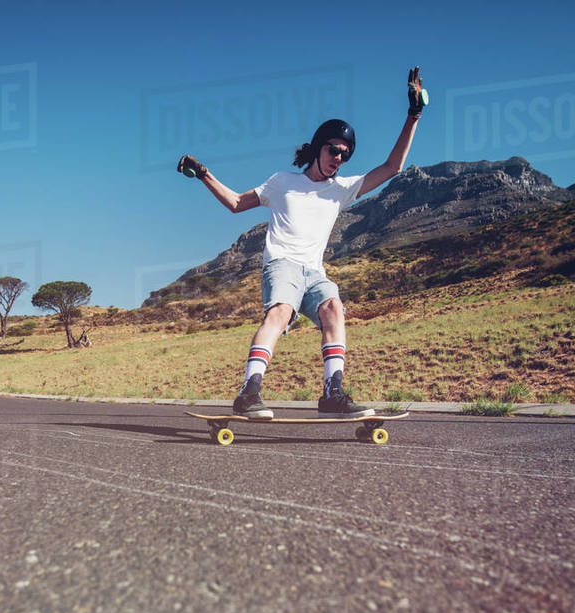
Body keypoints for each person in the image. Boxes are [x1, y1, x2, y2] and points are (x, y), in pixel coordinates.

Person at [177, 67, 426, 419]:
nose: (339, 158)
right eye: (334, 149)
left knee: (334, 309)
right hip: (282, 265)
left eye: (346, 153)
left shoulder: (341, 190)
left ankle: (333, 394)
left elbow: (392, 167)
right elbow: (236, 203)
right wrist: (204, 175)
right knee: (280, 313)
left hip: (315, 271)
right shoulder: (282, 182)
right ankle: (249, 392)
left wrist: (413, 116)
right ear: (318, 147)